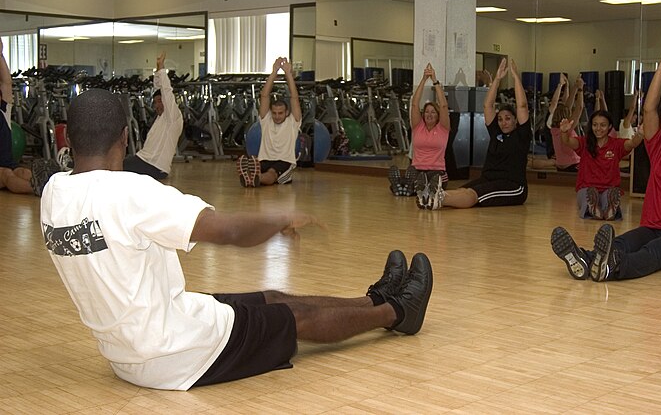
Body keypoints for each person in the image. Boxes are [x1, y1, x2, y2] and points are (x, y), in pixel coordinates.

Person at [41, 88, 434, 391]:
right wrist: (279, 219)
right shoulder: (130, 192)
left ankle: (375, 299)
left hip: (129, 349)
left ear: (68, 139)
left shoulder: (54, 193)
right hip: (176, 355)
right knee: (293, 318)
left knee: (272, 298)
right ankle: (399, 313)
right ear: (125, 137)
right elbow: (225, 230)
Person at [551, 34, 661, 281]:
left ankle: (610, 269)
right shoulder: (658, 148)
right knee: (621, 242)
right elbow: (648, 109)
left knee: (653, 253)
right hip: (653, 226)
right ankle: (585, 259)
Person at [417, 57, 530, 210]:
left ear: (516, 121)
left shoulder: (521, 135)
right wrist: (496, 79)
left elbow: (522, 106)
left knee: (472, 195)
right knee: (462, 191)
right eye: (501, 119)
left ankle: (438, 199)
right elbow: (487, 105)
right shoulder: (497, 133)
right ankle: (432, 197)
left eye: (508, 119)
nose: (503, 122)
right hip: (489, 178)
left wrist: (515, 77)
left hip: (513, 185)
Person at [558, 109, 643, 220]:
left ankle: (607, 210)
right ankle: (595, 208)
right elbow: (567, 141)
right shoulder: (585, 142)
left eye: (603, 125)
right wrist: (564, 132)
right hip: (587, 188)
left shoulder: (616, 144)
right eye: (595, 125)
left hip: (608, 189)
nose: (598, 129)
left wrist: (640, 134)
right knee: (589, 196)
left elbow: (632, 143)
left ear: (609, 127)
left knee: (608, 198)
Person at [0, 41, 58, 196]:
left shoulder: (3, 112)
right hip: (2, 171)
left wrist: (0, 54)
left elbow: (6, 83)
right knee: (7, 175)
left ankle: (54, 189)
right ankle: (43, 191)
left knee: (23, 172)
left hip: (8, 164)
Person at [389, 63, 450, 197]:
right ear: (423, 115)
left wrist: (434, 80)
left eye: (433, 112)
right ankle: (408, 187)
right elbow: (415, 104)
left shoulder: (443, 128)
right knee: (416, 176)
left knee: (433, 180)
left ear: (438, 115)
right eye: (427, 112)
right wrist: (423, 80)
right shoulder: (418, 127)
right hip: (417, 169)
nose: (429, 114)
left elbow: (444, 105)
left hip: (437, 170)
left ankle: (411, 187)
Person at [238, 57, 301, 187]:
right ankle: (253, 177)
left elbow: (294, 97)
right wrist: (274, 72)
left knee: (272, 174)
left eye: (280, 113)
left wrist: (288, 73)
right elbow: (264, 96)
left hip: (284, 161)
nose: (277, 116)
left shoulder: (293, 122)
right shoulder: (266, 121)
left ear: (287, 113)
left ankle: (256, 178)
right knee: (260, 167)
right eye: (274, 113)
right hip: (265, 160)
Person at [123, 52, 183, 180]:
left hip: (154, 167)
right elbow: (158, 87)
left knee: (116, 166)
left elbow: (166, 91)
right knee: (118, 162)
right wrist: (157, 70)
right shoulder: (161, 119)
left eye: (160, 101)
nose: (157, 105)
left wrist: (161, 68)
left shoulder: (173, 116)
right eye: (155, 102)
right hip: (145, 161)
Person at [549, 77, 585, 172]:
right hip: (572, 165)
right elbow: (579, 108)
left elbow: (567, 106)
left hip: (560, 165)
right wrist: (580, 89)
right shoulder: (567, 128)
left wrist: (574, 87)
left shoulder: (553, 129)